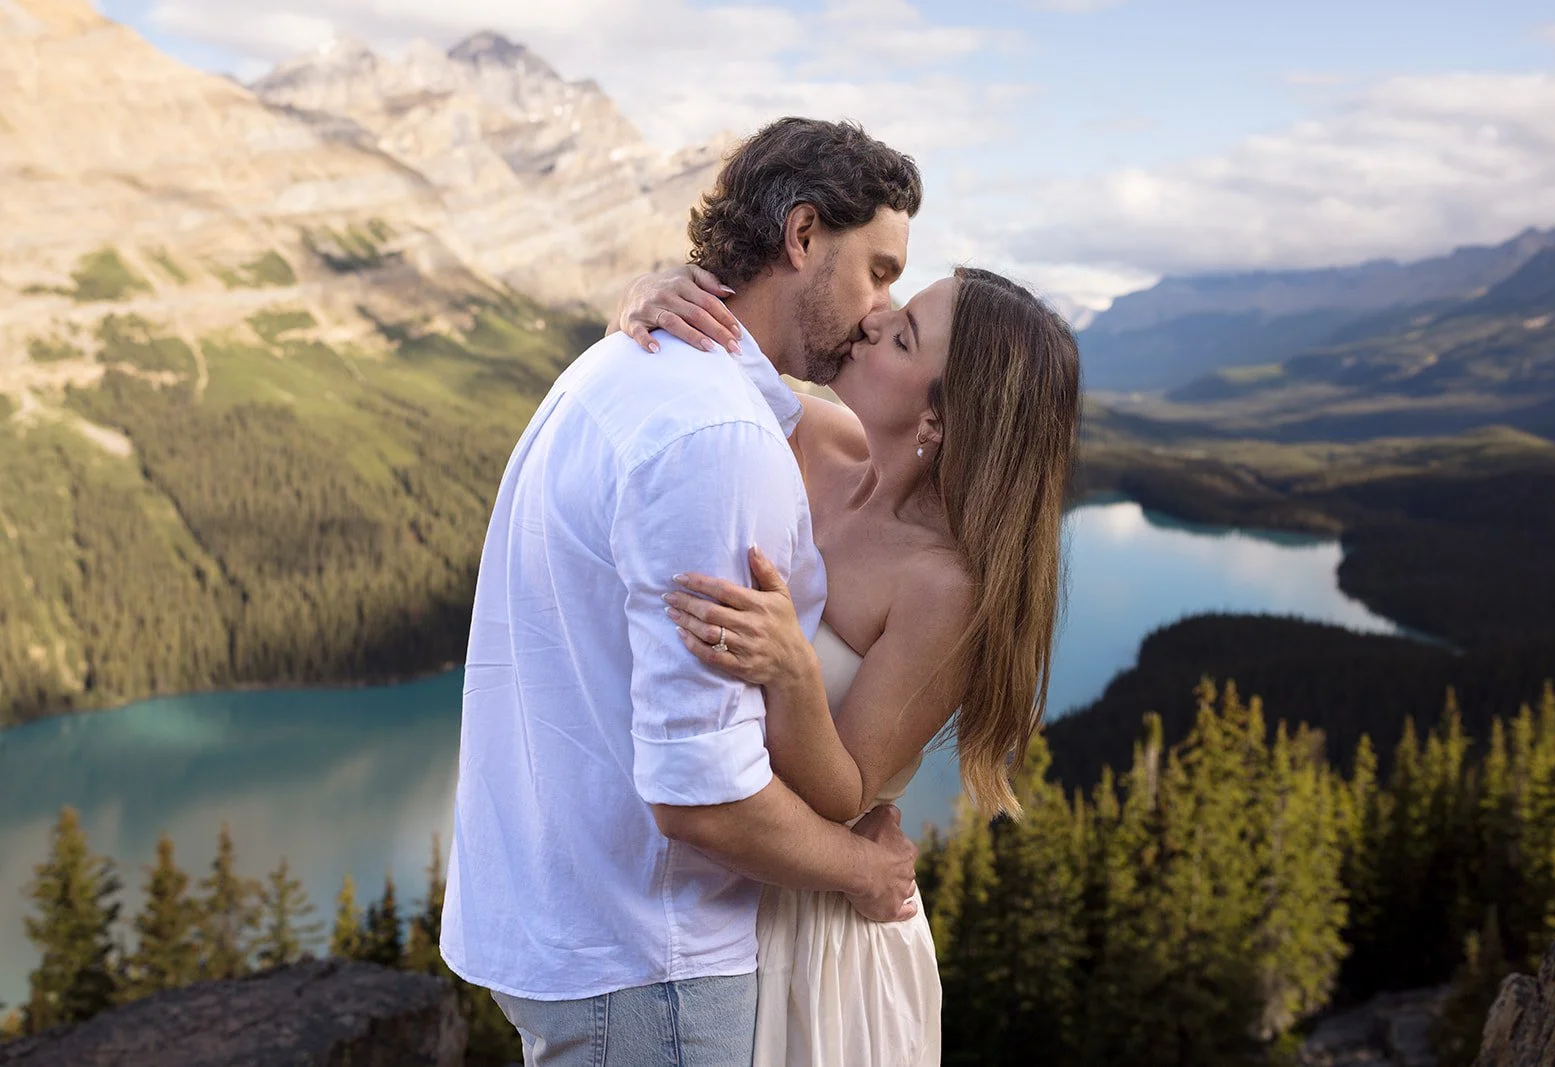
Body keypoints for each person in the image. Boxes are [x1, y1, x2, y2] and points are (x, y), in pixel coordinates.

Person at [440, 117, 928, 1067]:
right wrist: (865, 869)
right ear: (801, 235)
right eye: (877, 269)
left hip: (568, 923)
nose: (880, 308)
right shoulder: (718, 434)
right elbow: (703, 798)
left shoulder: (631, 364)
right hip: (647, 957)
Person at [611, 257, 1082, 1065]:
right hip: (720, 905)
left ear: (939, 419)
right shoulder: (821, 442)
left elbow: (848, 791)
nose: (873, 318)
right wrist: (648, 292)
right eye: (895, 305)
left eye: (902, 336)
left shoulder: (943, 586)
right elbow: (710, 367)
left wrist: (793, 670)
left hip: (820, 947)